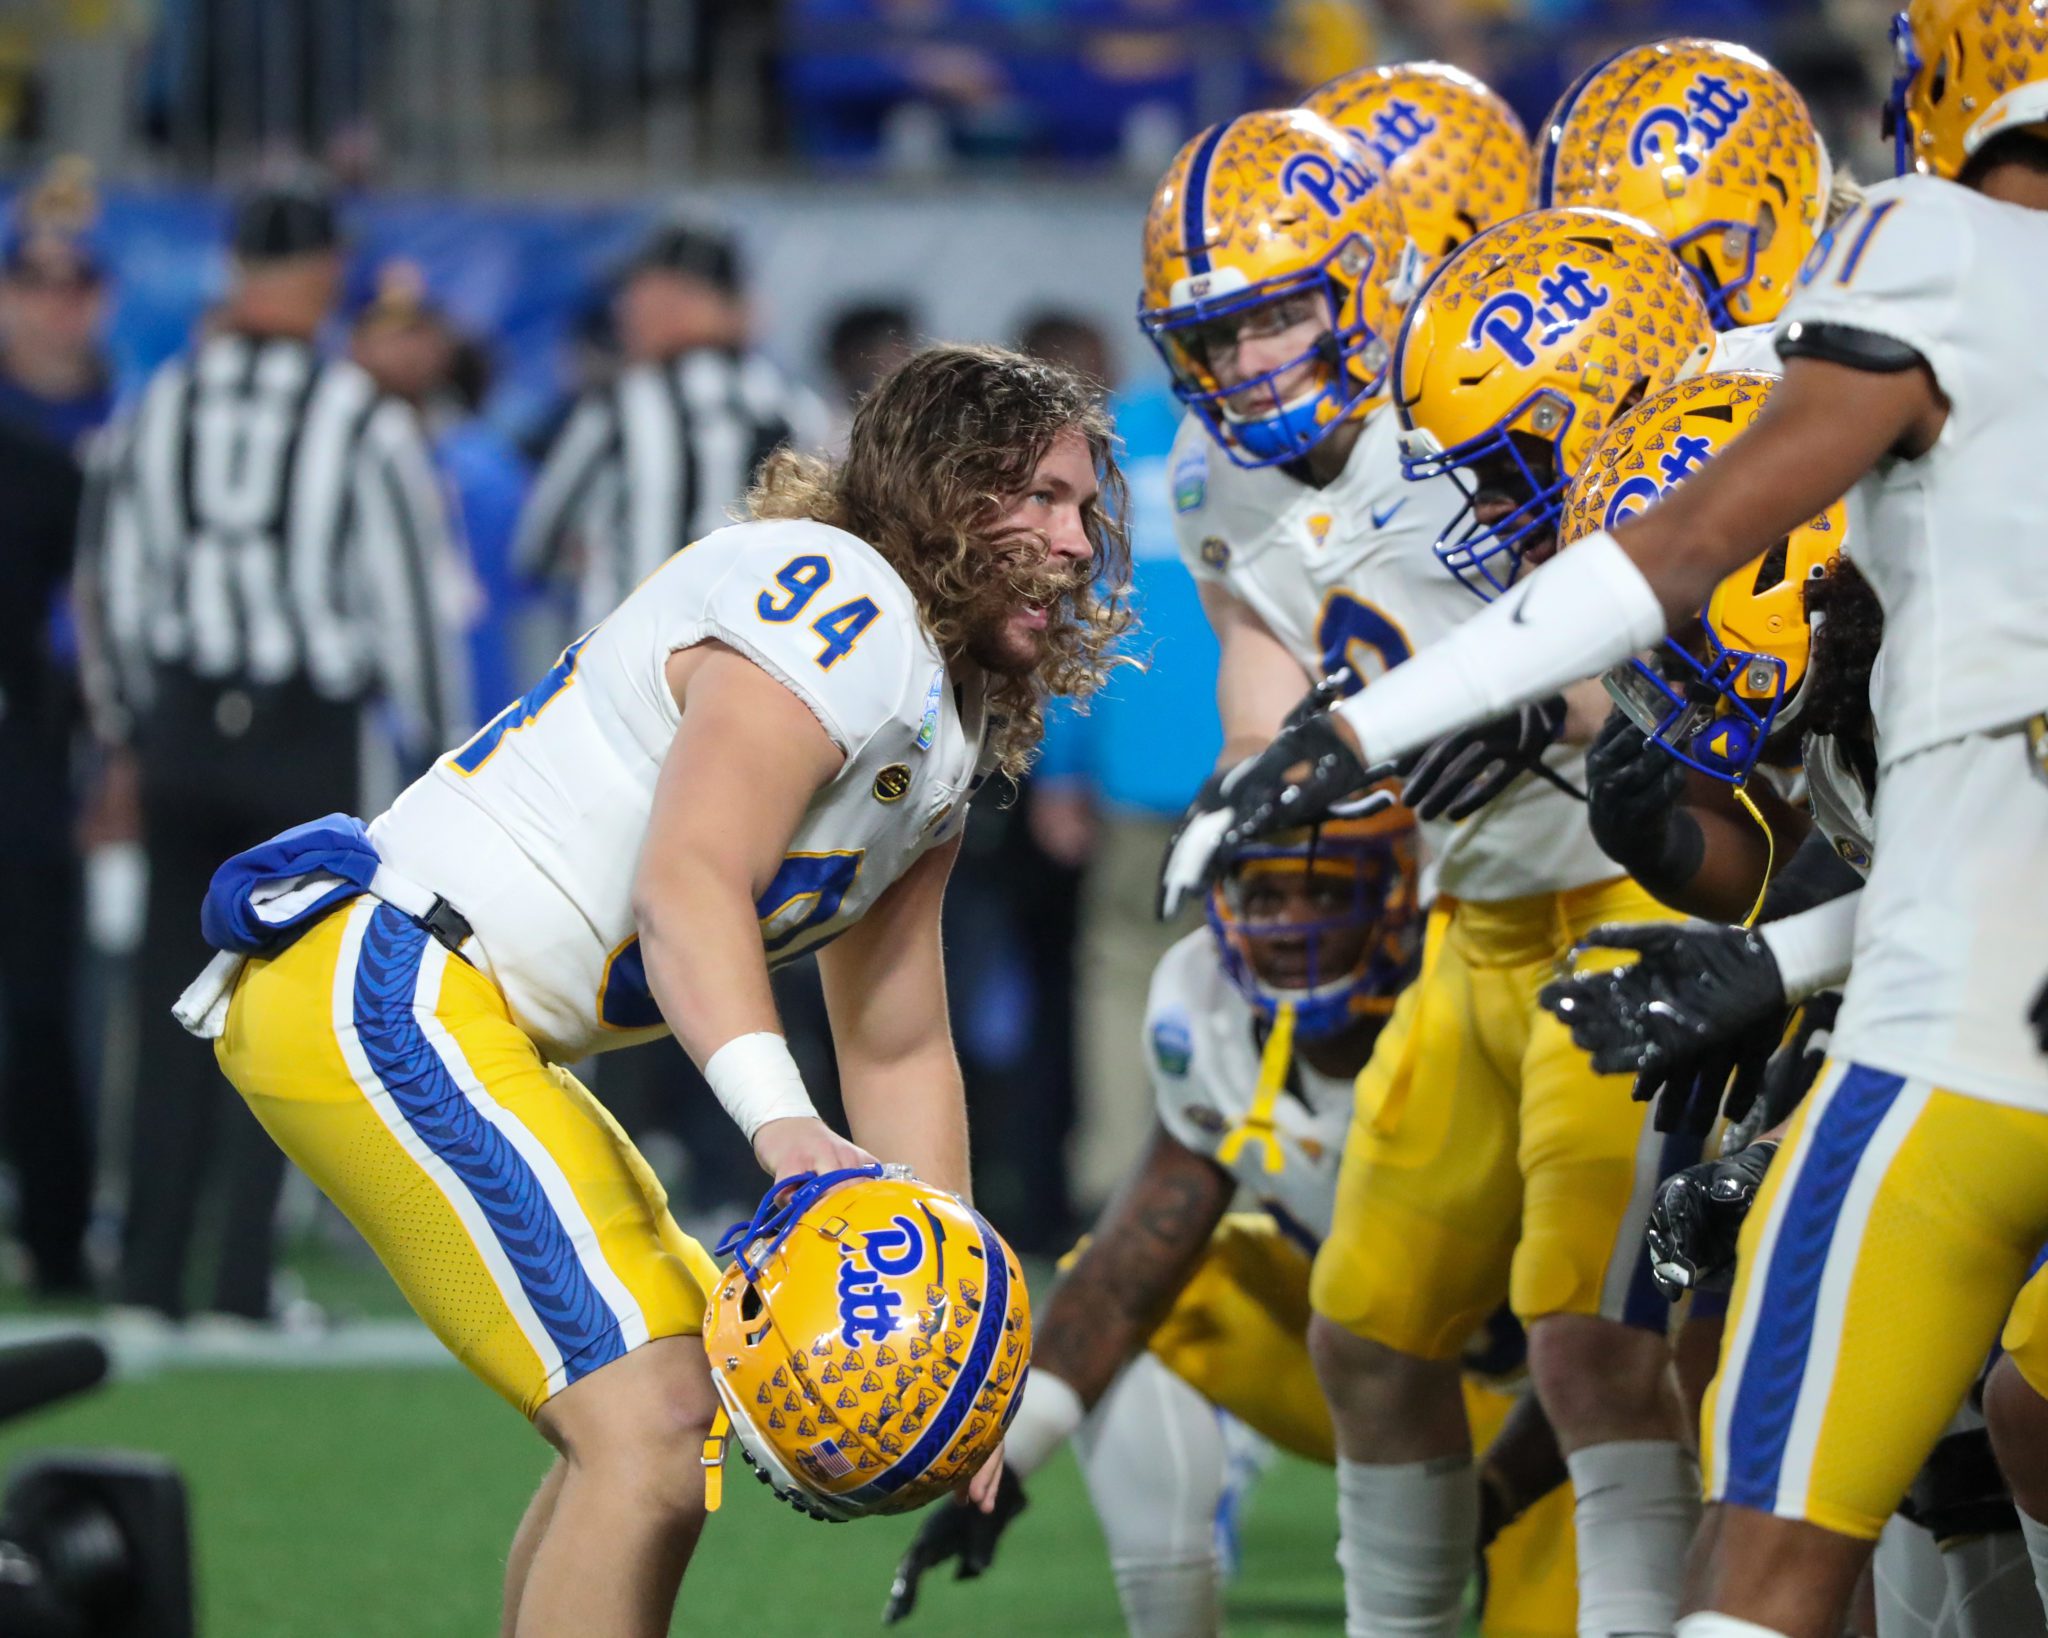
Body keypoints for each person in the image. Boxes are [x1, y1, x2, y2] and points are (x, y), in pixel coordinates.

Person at [1175, 2, 2048, 1629]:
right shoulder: (1754, 499)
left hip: (1960, 1009)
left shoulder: (1887, 403)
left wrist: (1775, 979)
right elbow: (1828, 822)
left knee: (1938, 1421)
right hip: (1941, 1002)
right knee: (1903, 1427)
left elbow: (1688, 604)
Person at [176, 344, 1130, 1638]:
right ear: (946, 494)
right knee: (652, 1419)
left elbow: (898, 1042)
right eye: (1046, 499)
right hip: (386, 977)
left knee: (657, 1422)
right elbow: (690, 882)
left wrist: (949, 1329)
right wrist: (783, 1128)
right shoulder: (841, 599)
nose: (1078, 543)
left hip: (462, 1013)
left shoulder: (940, 720)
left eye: (1087, 509)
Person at [1142, 106, 1707, 1636]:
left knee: (1592, 1342)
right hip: (1471, 921)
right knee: (1369, 1329)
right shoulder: (1214, 477)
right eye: (1216, 334)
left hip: (1635, 896)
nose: (1251, 363)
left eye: (1277, 312)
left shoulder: (1488, 381)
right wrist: (1264, 791)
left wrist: (1548, 698)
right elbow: (1260, 669)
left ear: (1374, 271)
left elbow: (1673, 619)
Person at [886, 809, 1581, 1638]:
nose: (1291, 927)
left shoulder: (1488, 998)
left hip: (1552, 1406)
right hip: (1372, 1378)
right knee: (1167, 1287)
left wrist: (1489, 1498)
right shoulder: (1203, 1005)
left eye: (1322, 892)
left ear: (1400, 896)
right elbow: (1121, 1282)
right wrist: (1004, 1465)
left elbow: (1614, 1330)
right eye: (1266, 894)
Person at [75, 181, 470, 1327]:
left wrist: (127, 728)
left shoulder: (161, 402)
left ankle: (149, 1274)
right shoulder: (359, 416)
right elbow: (407, 610)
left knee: (166, 996)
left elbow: (112, 587)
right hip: (301, 734)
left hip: (185, 724)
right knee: (283, 1004)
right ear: (315, 279)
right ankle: (241, 1276)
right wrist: (440, 766)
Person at [515, 219, 832, 633]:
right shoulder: (797, 408)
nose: (624, 309)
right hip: (761, 678)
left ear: (680, 297)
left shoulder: (620, 404)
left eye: (638, 292)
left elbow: (537, 547)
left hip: (626, 678)